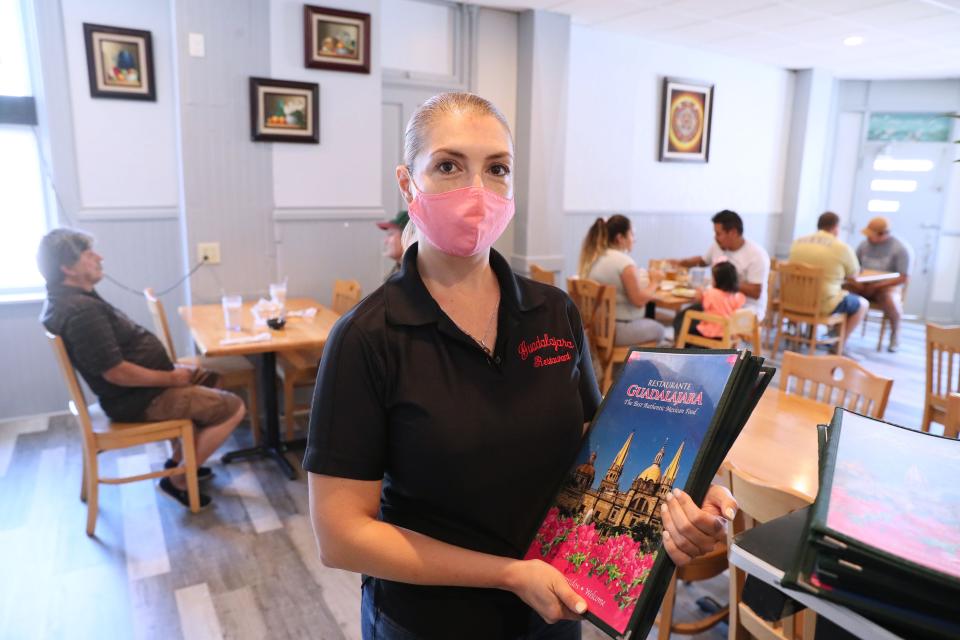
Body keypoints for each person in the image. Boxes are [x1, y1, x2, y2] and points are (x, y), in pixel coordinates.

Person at [304, 92, 739, 640]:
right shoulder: (368, 338)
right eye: (448, 166)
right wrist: (508, 575)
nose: (476, 192)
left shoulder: (552, 312)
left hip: (555, 603)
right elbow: (341, 536)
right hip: (432, 621)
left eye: (497, 169)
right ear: (407, 182)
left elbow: (593, 446)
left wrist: (683, 493)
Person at [37, 229, 246, 510]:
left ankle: (179, 462)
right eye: (89, 255)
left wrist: (171, 373)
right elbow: (116, 373)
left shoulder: (66, 300)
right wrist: (171, 378)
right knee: (232, 408)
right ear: (67, 268)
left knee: (211, 380)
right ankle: (179, 480)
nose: (100, 257)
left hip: (138, 394)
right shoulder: (82, 313)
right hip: (141, 400)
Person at [672, 210, 770, 338]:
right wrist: (681, 262)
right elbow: (703, 261)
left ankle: (707, 352)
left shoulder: (757, 255)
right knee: (682, 319)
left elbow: (756, 291)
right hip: (718, 303)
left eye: (718, 233)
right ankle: (698, 351)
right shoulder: (718, 246)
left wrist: (725, 283)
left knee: (693, 322)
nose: (715, 237)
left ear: (733, 232)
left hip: (746, 310)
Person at [577, 215, 665, 346]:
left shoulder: (596, 258)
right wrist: (655, 281)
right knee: (660, 330)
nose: (634, 240)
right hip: (616, 330)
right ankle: (636, 363)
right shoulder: (625, 263)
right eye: (632, 235)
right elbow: (639, 300)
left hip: (596, 328)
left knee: (650, 320)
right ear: (620, 238)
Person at [788, 212, 868, 350]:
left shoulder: (797, 242)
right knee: (862, 304)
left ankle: (813, 335)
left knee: (834, 294)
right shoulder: (841, 247)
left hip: (793, 299)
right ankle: (838, 346)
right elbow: (854, 275)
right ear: (836, 228)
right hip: (822, 303)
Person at [851, 217, 912, 352]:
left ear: (883, 234)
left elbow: (904, 277)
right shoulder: (863, 245)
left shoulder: (900, 249)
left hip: (886, 287)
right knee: (842, 291)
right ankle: (837, 331)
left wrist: (878, 286)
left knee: (891, 301)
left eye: (871, 235)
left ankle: (895, 334)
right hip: (863, 284)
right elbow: (854, 267)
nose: (868, 237)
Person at [686, 261, 746, 340]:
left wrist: (699, 297)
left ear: (718, 280)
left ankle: (691, 349)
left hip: (711, 332)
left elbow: (704, 305)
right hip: (729, 333)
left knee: (688, 324)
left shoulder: (711, 293)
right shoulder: (737, 296)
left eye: (713, 278)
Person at [376, 210, 409, 278]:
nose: (385, 241)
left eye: (390, 234)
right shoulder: (400, 270)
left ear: (406, 238)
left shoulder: (413, 276)